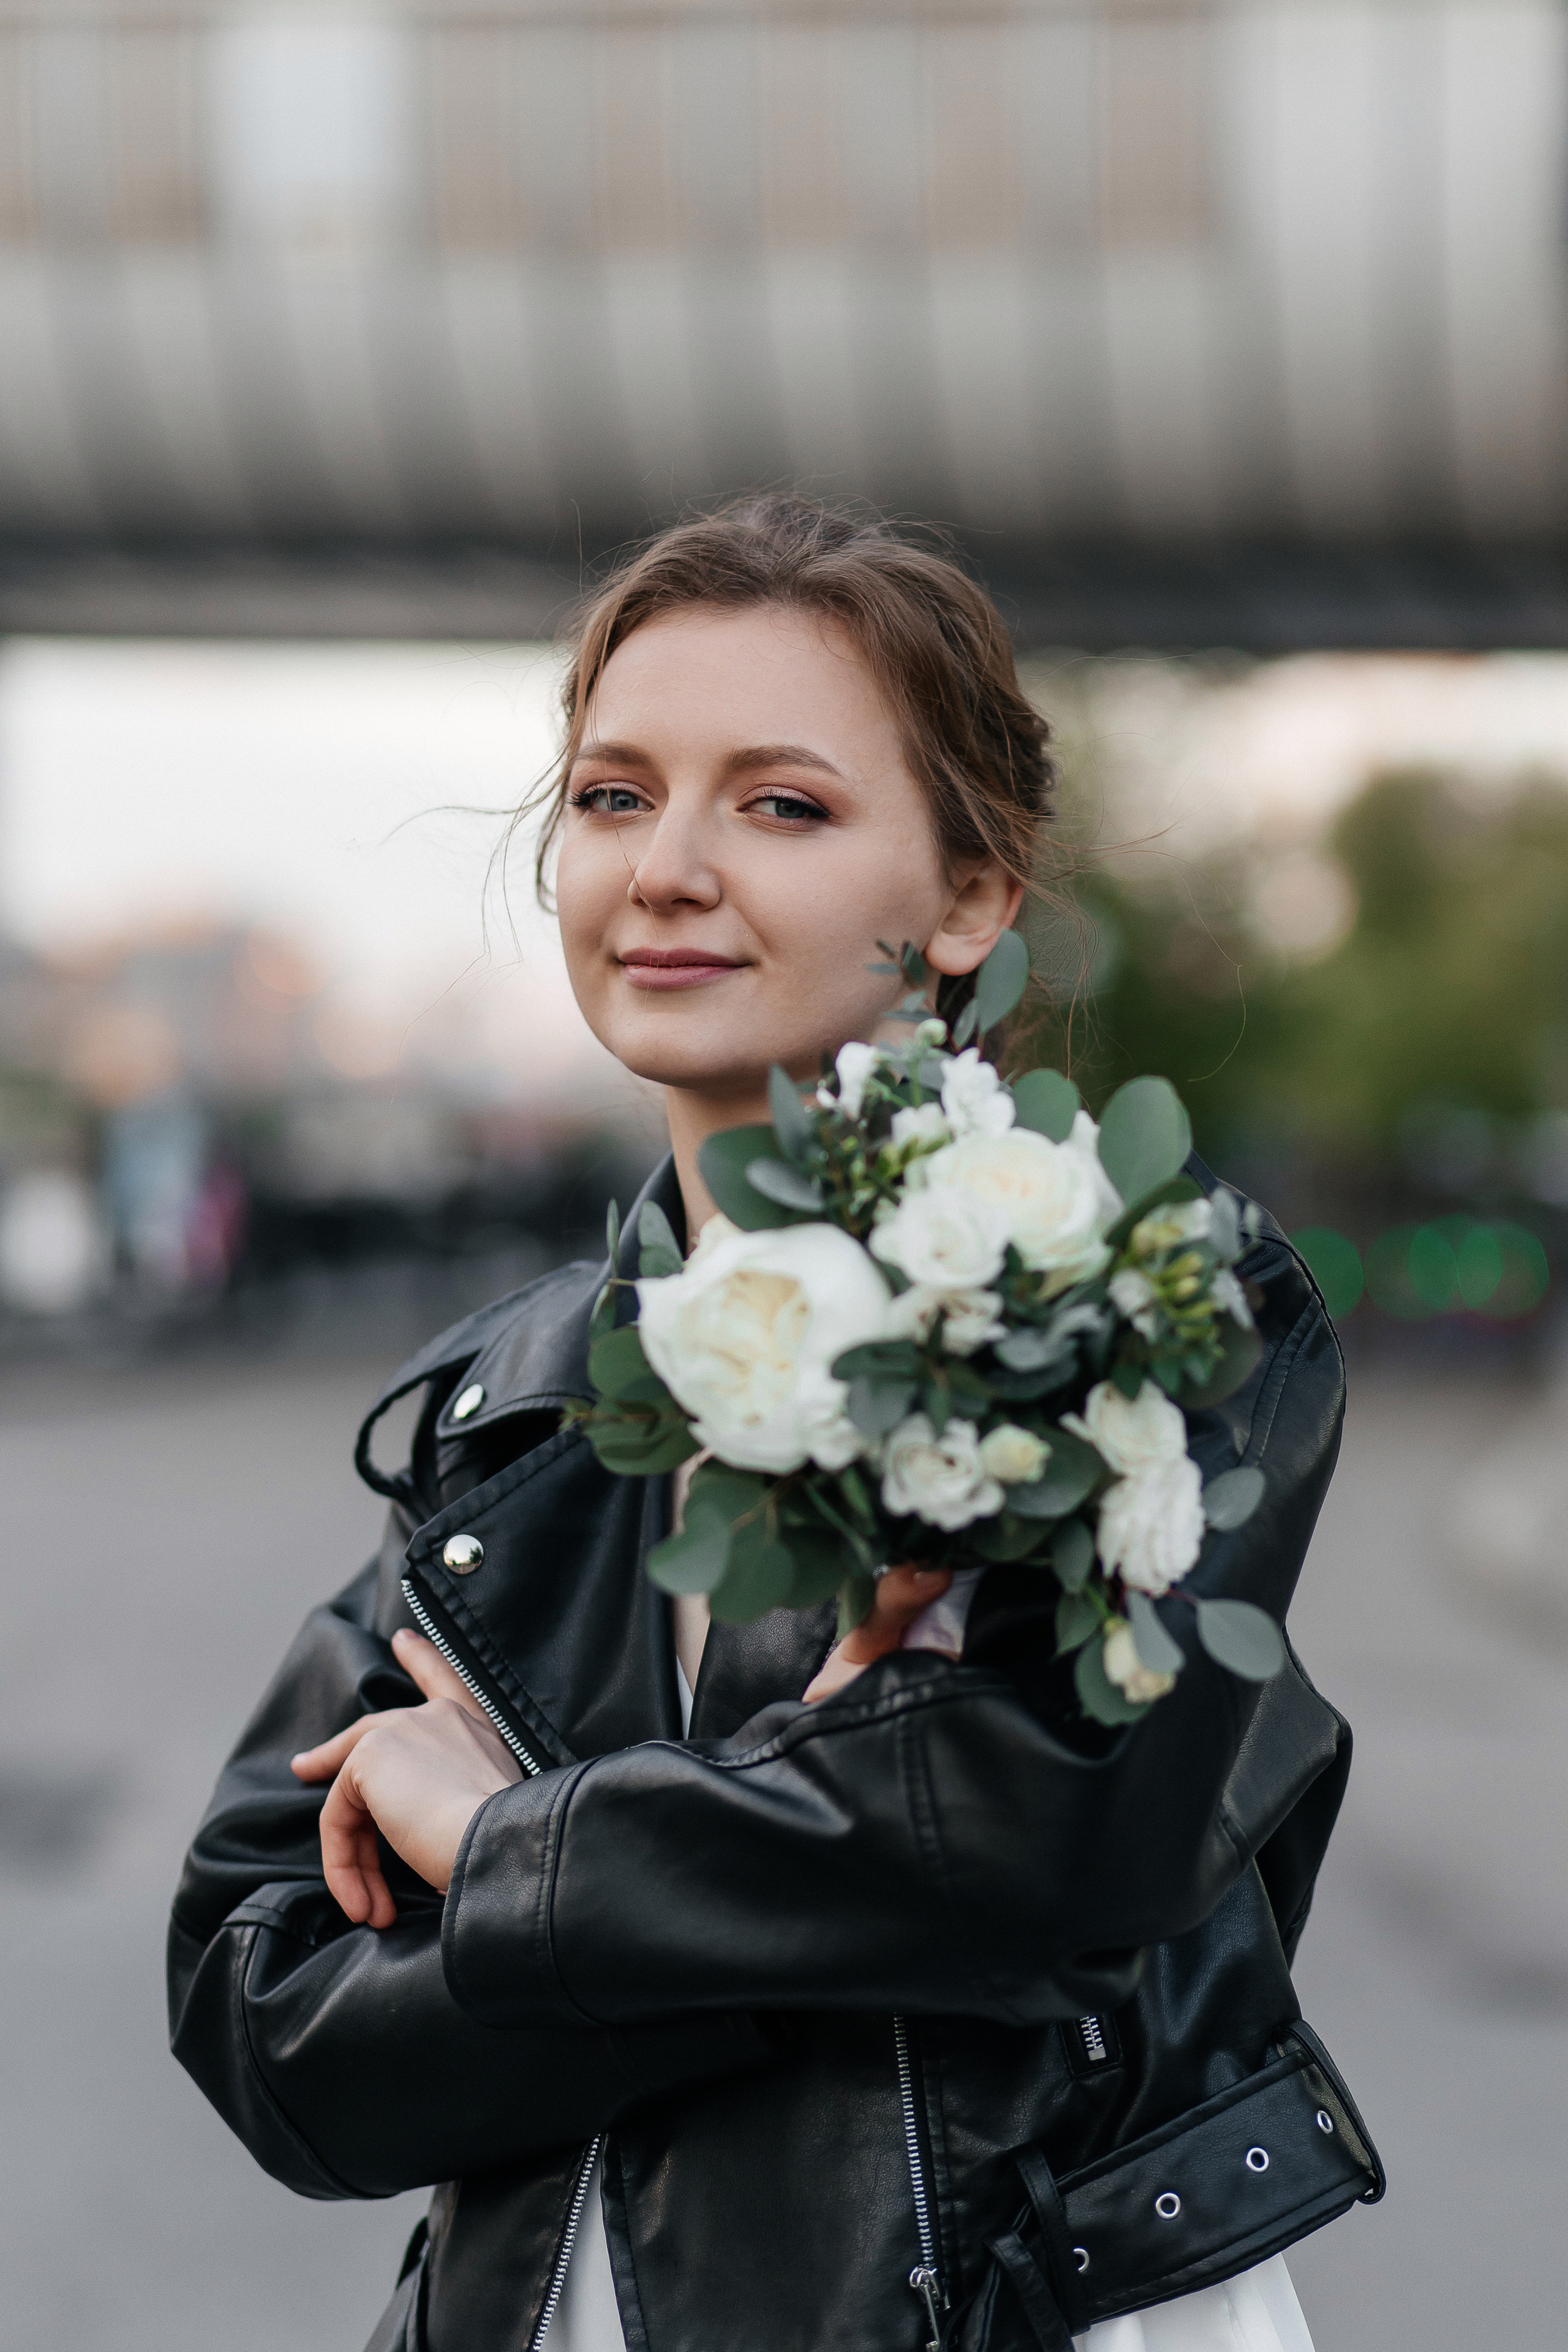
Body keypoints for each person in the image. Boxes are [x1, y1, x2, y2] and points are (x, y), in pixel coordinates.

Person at [168, 496, 1381, 2352]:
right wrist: (773, 1878)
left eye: (783, 804)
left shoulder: (1153, 1295)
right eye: (612, 795)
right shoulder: (507, 1420)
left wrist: (508, 1859)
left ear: (973, 894)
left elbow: (1052, 1834)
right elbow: (267, 2010)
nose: (665, 867)